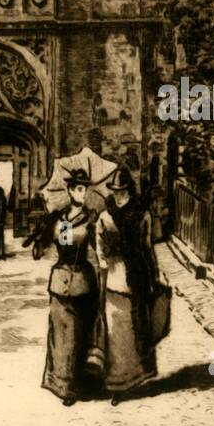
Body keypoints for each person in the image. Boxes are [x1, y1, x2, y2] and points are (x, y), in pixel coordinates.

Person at [25, 169, 102, 406]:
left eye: (85, 189)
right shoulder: (59, 219)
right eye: (79, 188)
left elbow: (99, 252)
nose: (83, 192)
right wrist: (39, 238)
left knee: (79, 335)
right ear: (70, 190)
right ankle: (61, 385)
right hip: (59, 281)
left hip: (83, 281)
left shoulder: (91, 218)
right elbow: (43, 252)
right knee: (60, 335)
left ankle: (79, 385)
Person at [95, 166, 161, 403]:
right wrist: (104, 265)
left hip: (137, 276)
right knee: (115, 332)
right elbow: (99, 248)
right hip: (114, 277)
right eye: (115, 191)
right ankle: (117, 383)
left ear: (129, 191)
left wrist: (154, 274)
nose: (118, 195)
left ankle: (138, 375)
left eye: (122, 191)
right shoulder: (105, 216)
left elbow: (147, 245)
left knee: (137, 326)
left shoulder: (142, 214)